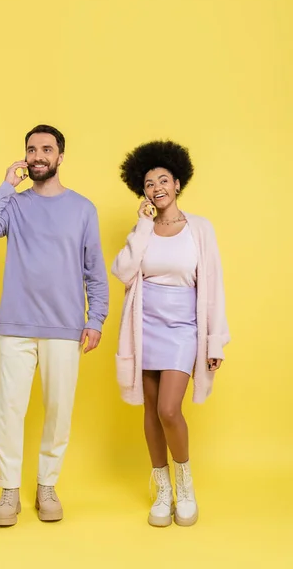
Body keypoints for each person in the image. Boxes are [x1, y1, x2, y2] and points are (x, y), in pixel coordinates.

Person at [0, 124, 109, 526]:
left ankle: (46, 485)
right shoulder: (13, 205)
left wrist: (95, 318)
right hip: (16, 324)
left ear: (61, 156)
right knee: (9, 410)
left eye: (47, 149)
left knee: (58, 410)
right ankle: (9, 490)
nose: (38, 156)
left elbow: (94, 271)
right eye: (32, 150)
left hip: (65, 327)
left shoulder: (83, 209)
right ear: (25, 157)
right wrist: (4, 185)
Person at [111, 140, 229, 527]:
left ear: (178, 183)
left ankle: (185, 484)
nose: (157, 187)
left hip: (183, 329)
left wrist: (214, 340)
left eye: (164, 180)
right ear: (142, 191)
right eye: (149, 183)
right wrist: (143, 224)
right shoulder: (142, 229)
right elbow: (124, 272)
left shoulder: (200, 229)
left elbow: (213, 286)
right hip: (144, 327)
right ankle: (162, 490)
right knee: (150, 410)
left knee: (168, 409)